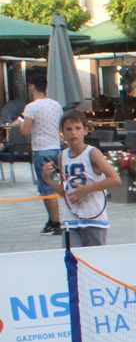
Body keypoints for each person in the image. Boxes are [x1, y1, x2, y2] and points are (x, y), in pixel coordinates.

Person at [41, 110, 120, 247]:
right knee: (71, 260)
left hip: (93, 218)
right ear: (62, 132)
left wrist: (85, 190)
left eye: (77, 128)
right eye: (69, 129)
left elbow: (114, 179)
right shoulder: (62, 156)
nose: (73, 133)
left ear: (86, 130)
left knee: (94, 261)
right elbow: (65, 191)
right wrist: (48, 180)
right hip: (70, 219)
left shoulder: (92, 153)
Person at [11, 72, 63, 236]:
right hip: (56, 148)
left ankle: (56, 223)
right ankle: (52, 220)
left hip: (41, 149)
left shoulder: (31, 107)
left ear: (32, 87)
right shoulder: (56, 105)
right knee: (52, 184)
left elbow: (25, 131)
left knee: (46, 188)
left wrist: (19, 122)